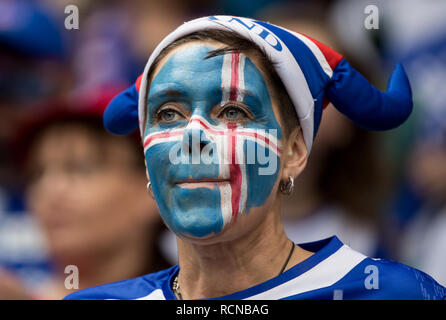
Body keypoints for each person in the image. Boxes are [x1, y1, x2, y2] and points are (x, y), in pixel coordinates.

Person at [65, 15, 446, 300]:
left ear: (294, 151)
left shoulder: (394, 293)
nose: (193, 135)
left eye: (233, 111)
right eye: (168, 114)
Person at [0, 93, 170, 299]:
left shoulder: (203, 296)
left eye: (80, 168)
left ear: (153, 188)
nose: (50, 188)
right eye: (37, 174)